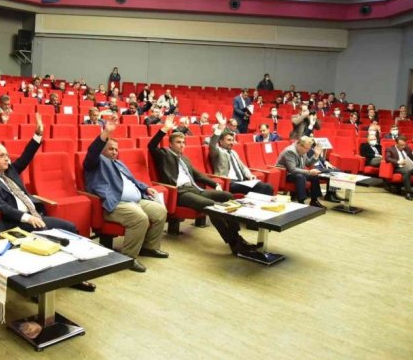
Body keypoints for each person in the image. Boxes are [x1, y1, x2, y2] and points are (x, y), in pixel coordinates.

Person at [0, 114, 95, 291]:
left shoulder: (10, 170)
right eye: (1, 156)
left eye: (7, 155)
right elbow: (0, 206)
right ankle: (38, 285)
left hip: (35, 216)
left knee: (70, 228)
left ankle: (73, 276)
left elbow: (26, 156)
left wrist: (37, 135)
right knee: (45, 235)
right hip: (14, 223)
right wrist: (27, 218)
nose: (7, 159)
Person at [148, 115, 259, 256]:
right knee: (212, 206)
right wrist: (165, 129)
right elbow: (151, 146)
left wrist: (214, 184)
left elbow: (198, 175)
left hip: (195, 189)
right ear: (170, 144)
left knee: (228, 196)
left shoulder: (185, 159)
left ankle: (237, 236)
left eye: (183, 142)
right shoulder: (164, 154)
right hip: (180, 192)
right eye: (178, 142)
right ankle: (235, 243)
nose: (182, 145)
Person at [83, 119, 168, 273]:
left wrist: (146, 188)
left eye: (116, 150)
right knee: (140, 218)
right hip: (116, 203)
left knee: (160, 211)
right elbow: (93, 151)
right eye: (111, 149)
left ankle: (149, 247)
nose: (114, 152)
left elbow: (133, 181)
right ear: (102, 149)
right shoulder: (95, 163)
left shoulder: (120, 163)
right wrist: (106, 133)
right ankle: (128, 258)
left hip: (137, 200)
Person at [209, 113, 274, 196]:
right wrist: (220, 127)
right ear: (221, 142)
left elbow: (243, 167)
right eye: (229, 140)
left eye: (232, 140)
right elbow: (212, 144)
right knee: (262, 188)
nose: (232, 142)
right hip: (231, 183)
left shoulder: (234, 152)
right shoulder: (217, 152)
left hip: (243, 181)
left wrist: (249, 175)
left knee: (268, 186)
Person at [276, 136, 325, 207]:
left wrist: (316, 155)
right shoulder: (290, 151)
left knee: (314, 176)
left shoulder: (302, 150)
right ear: (299, 145)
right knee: (300, 177)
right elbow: (292, 170)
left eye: (309, 149)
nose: (307, 151)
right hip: (286, 175)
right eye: (306, 148)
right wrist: (309, 172)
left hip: (297, 173)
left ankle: (314, 201)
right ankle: (301, 202)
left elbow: (308, 163)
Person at [385, 135, 413, 201]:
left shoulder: (407, 148)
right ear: (396, 143)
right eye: (401, 145)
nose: (403, 147)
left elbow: (412, 158)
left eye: (404, 145)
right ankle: (408, 192)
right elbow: (387, 158)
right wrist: (398, 161)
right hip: (398, 167)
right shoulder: (390, 149)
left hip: (409, 166)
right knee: (406, 171)